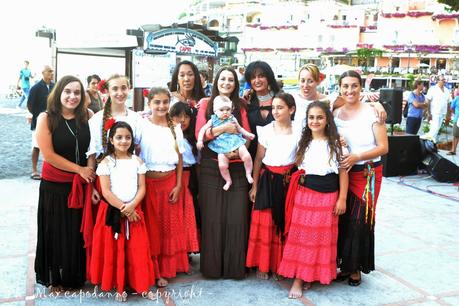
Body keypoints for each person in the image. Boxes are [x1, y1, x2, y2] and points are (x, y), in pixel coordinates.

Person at [278, 101, 348, 298]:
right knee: (303, 238)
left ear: (327, 120)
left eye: (320, 117)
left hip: (328, 197)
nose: (315, 121)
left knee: (320, 239)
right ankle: (299, 279)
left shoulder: (336, 144)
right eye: (311, 117)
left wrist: (341, 199)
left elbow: (343, 172)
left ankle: (310, 274)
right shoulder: (303, 141)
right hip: (305, 195)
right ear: (306, 120)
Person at [34, 75, 96, 291]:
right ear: (59, 93)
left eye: (77, 92)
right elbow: (48, 155)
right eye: (67, 91)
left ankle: (75, 275)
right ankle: (56, 278)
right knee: (56, 233)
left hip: (81, 184)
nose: (72, 96)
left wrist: (89, 170)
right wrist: (80, 170)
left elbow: (93, 148)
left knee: (75, 232)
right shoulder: (46, 118)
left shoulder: (88, 115)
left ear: (83, 96)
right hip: (56, 185)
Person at [195, 66, 251, 279]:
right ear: (216, 81)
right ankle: (212, 268)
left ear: (236, 84)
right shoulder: (205, 105)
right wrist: (223, 130)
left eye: (231, 80)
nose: (226, 83)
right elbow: (200, 134)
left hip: (237, 166)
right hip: (211, 166)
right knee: (212, 217)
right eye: (223, 79)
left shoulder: (241, 107)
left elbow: (246, 135)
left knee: (236, 216)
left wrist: (237, 152)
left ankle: (234, 268)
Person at [333, 70, 388, 287]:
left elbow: (384, 147)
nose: (350, 90)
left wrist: (357, 156)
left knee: (360, 221)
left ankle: (356, 268)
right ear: (340, 88)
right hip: (343, 173)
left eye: (354, 86)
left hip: (367, 174)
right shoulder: (335, 112)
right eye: (345, 86)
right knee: (344, 219)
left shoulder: (373, 113)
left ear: (361, 87)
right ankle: (345, 265)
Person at [90, 121, 156, 302]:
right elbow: (106, 191)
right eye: (119, 137)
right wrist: (124, 209)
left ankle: (141, 285)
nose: (123, 141)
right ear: (111, 140)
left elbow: (142, 187)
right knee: (115, 251)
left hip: (135, 211)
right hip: (114, 212)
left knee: (138, 249)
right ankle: (119, 286)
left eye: (127, 137)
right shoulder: (106, 163)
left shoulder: (137, 161)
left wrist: (132, 206)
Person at [139, 87, 188, 288]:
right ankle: (152, 269)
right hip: (147, 184)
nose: (161, 106)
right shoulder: (141, 125)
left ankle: (166, 268)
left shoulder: (174, 127)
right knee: (151, 229)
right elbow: (132, 152)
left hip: (169, 183)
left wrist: (178, 185)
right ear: (149, 104)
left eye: (165, 102)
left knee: (168, 228)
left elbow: (180, 158)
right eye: (156, 102)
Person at [246, 92, 298, 281]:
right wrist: (254, 186)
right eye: (273, 107)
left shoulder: (300, 130)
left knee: (284, 222)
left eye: (280, 107)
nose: (275, 111)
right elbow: (259, 158)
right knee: (266, 222)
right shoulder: (266, 130)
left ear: (291, 109)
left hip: (288, 181)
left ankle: (280, 265)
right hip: (268, 179)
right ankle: (263, 264)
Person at [197, 95, 255, 190]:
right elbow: (202, 129)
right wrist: (199, 140)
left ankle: (248, 173)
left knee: (247, 156)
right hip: (221, 145)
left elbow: (240, 129)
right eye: (222, 110)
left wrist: (248, 134)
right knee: (222, 165)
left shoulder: (232, 118)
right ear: (215, 111)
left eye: (228, 109)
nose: (225, 112)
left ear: (231, 110)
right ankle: (228, 180)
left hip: (236, 141)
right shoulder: (213, 120)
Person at [87, 74, 142, 162]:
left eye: (123, 88)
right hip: (105, 171)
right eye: (115, 89)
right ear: (108, 91)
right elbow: (92, 153)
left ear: (129, 89)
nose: (120, 93)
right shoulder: (97, 119)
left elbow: (139, 148)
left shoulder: (136, 118)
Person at [169, 101, 200, 253]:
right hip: (173, 176)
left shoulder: (193, 137)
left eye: (186, 117)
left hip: (190, 177)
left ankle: (187, 249)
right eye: (178, 116)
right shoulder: (168, 134)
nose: (182, 120)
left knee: (188, 214)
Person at [244, 61, 281, 157]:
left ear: (268, 77)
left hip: (277, 156)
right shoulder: (247, 101)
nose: (257, 80)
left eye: (261, 76)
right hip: (251, 156)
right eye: (253, 77)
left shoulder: (281, 99)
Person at [27, 65, 55, 180]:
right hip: (38, 122)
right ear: (43, 73)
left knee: (52, 145)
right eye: (49, 71)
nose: (51, 73)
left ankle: (50, 171)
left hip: (53, 121)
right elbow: (30, 105)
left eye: (52, 71)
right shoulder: (36, 88)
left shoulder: (55, 86)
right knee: (36, 146)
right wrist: (38, 116)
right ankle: (34, 170)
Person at [423, 75, 451, 142]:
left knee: (437, 129)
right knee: (434, 129)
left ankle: (431, 143)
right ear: (438, 81)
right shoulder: (432, 89)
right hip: (434, 112)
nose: (444, 81)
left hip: (443, 113)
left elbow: (448, 103)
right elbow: (428, 101)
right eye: (442, 80)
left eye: (445, 79)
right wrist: (428, 113)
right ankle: (426, 140)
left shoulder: (447, 90)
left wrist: (448, 114)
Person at [448, 88, 459, 155]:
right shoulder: (457, 98)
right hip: (457, 119)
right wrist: (456, 114)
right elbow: (451, 108)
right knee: (456, 135)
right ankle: (453, 150)